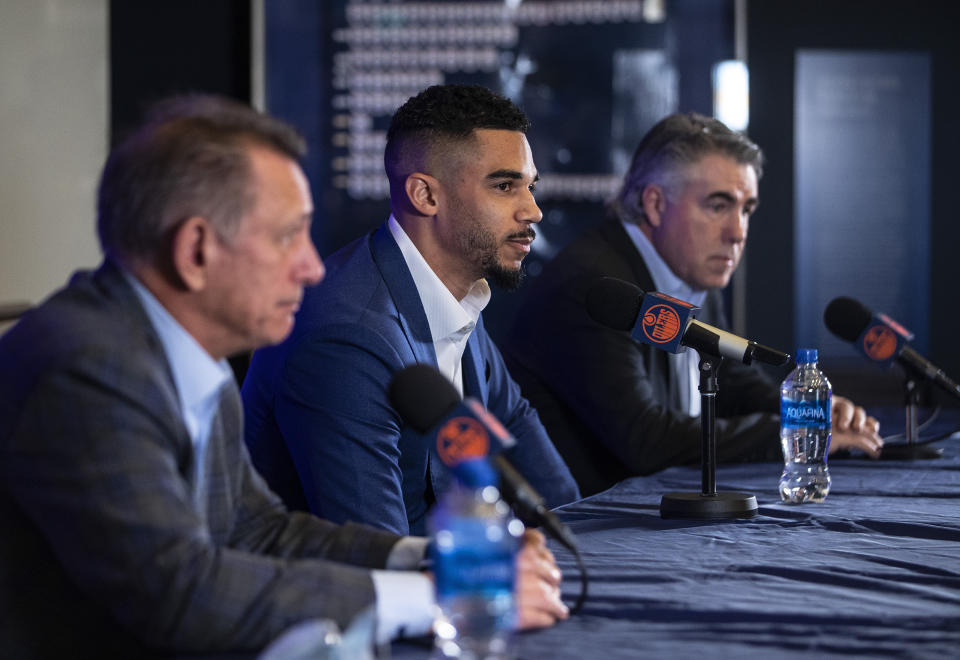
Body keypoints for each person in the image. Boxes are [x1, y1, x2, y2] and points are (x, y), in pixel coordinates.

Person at [0, 94, 567, 658]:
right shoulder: (85, 365)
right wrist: (439, 596)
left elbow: (258, 530)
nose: (312, 266)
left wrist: (432, 559)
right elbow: (178, 591)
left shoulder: (188, 351)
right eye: (286, 237)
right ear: (196, 250)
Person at [242, 84, 579, 537]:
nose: (533, 210)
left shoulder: (456, 289)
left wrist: (574, 547)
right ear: (425, 195)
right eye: (504, 186)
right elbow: (378, 551)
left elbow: (525, 447)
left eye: (530, 187)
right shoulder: (347, 338)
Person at [502, 112, 884, 496]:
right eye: (718, 206)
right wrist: (789, 432)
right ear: (654, 204)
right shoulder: (593, 287)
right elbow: (647, 439)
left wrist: (806, 411)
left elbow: (730, 380)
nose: (737, 233)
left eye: (746, 209)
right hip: (585, 531)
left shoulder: (690, 267)